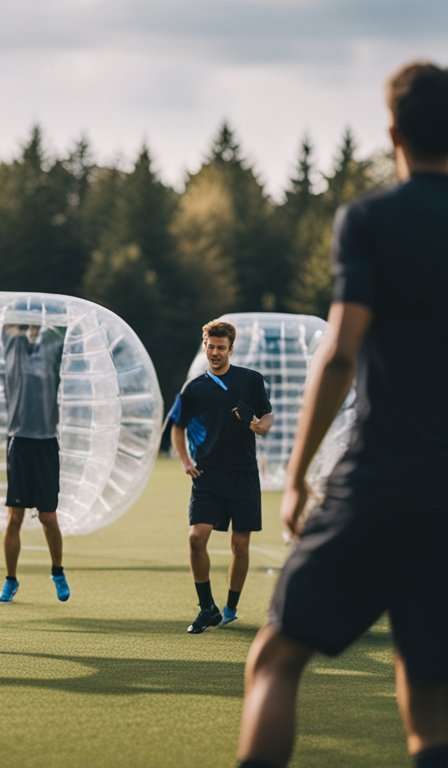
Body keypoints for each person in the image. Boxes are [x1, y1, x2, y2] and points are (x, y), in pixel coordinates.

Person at [237, 61, 448, 768]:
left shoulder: (370, 220)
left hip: (379, 483)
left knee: (275, 660)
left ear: (392, 131)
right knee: (431, 702)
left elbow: (338, 354)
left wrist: (296, 476)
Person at [169, 320, 273, 634]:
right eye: (210, 347)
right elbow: (177, 427)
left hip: (243, 475)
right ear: (205, 346)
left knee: (240, 546)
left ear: (231, 348)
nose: (215, 353)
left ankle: (230, 606)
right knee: (195, 538)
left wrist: (258, 426)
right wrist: (186, 461)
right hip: (208, 475)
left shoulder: (250, 380)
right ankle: (206, 608)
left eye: (221, 348)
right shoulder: (194, 388)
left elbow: (266, 417)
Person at [0, 324, 70, 603]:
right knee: (14, 517)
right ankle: (10, 581)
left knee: (49, 518)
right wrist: (21, 320)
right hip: (19, 442)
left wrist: (44, 322)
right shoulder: (14, 346)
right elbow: (8, 324)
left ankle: (57, 571)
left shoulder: (52, 344)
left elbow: (62, 330)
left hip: (46, 442)